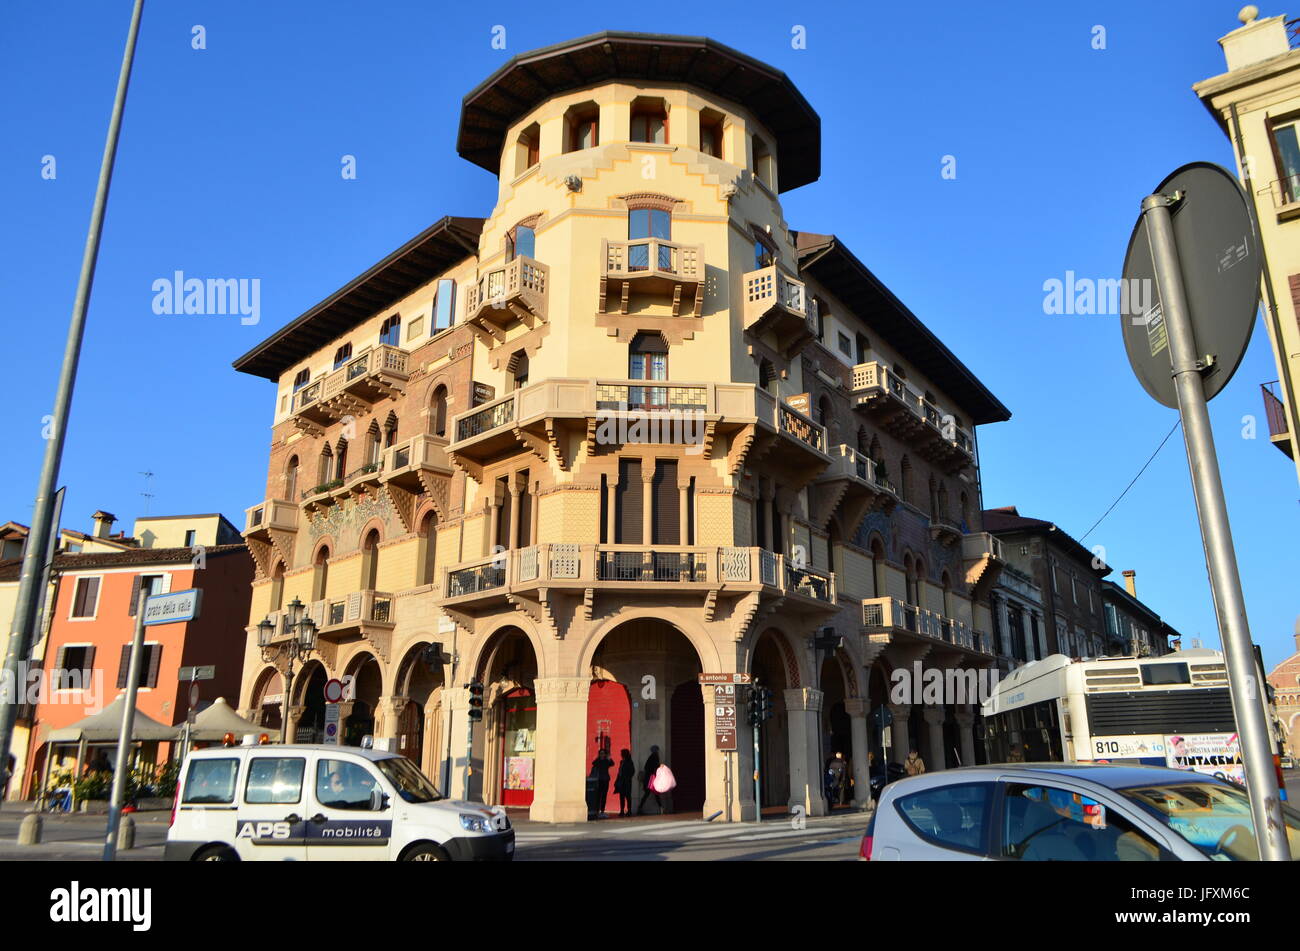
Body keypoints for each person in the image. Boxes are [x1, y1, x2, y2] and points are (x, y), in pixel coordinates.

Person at [637, 745, 662, 815]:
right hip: (652, 779)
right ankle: (661, 808)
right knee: (655, 794)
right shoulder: (655, 757)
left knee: (647, 794)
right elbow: (655, 767)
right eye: (657, 750)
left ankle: (640, 807)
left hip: (648, 779)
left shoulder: (650, 757)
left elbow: (646, 767)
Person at [589, 748, 613, 818]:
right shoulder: (598, 761)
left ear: (605, 754)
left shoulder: (606, 761)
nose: (602, 755)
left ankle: (602, 810)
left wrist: (609, 758)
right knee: (598, 795)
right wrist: (598, 758)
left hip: (605, 779)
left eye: (603, 753)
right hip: (599, 779)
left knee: (604, 796)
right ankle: (597, 810)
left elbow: (612, 763)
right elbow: (593, 763)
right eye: (600, 753)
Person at [614, 749, 634, 817]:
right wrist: (617, 780)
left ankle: (629, 811)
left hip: (627, 781)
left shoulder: (629, 762)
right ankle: (622, 810)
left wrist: (627, 777)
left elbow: (632, 771)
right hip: (621, 781)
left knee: (628, 796)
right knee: (621, 796)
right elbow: (619, 772)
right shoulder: (621, 762)